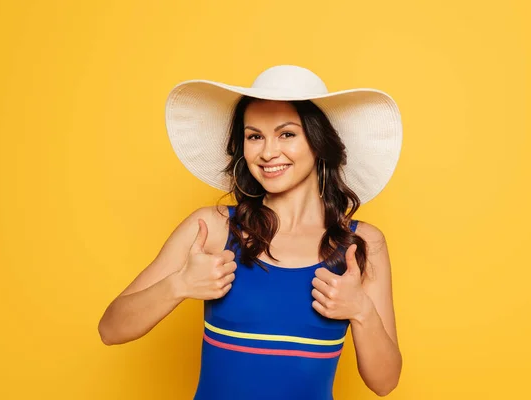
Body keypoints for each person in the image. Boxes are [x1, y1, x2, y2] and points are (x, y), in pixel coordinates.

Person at [98, 65, 403, 399]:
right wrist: (179, 284)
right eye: (254, 136)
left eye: (287, 134)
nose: (268, 152)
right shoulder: (212, 228)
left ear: (319, 143)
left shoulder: (360, 245)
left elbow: (385, 382)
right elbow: (111, 329)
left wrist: (361, 310)